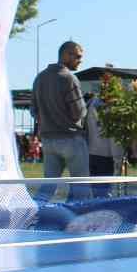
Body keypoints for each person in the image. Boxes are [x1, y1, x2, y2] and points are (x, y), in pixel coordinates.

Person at [32, 41, 88, 180]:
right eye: (78, 56)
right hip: (71, 139)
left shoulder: (40, 78)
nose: (80, 61)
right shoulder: (69, 78)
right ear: (66, 55)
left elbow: (33, 110)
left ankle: (36, 203)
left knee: (47, 189)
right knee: (81, 187)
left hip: (48, 140)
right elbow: (78, 113)